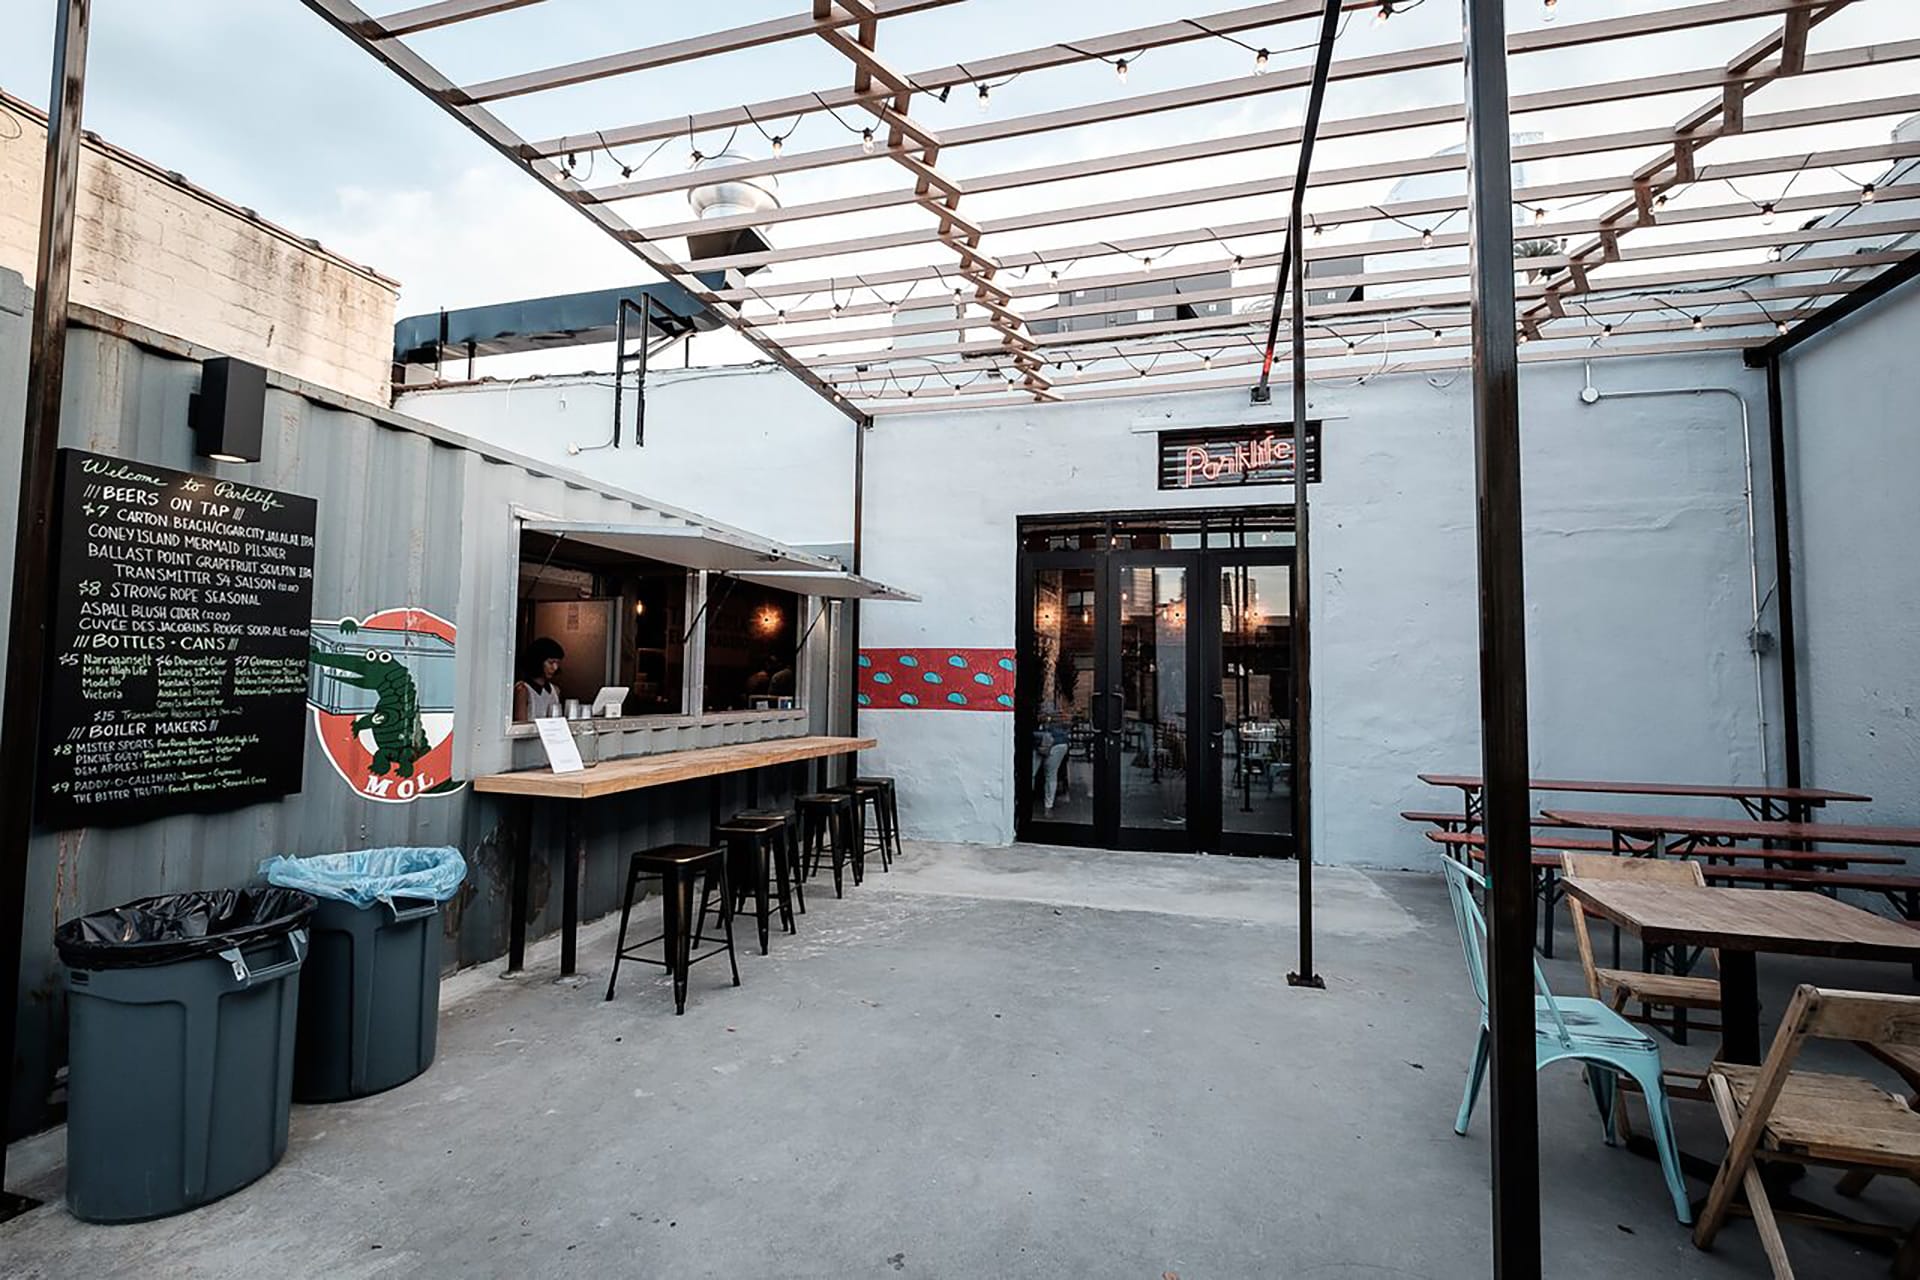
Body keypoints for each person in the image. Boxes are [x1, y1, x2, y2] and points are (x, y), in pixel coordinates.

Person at [513, 636, 565, 721]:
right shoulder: (523, 690)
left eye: (557, 663)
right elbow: (520, 724)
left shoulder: (555, 690)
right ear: (538, 661)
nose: (555, 667)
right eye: (551, 662)